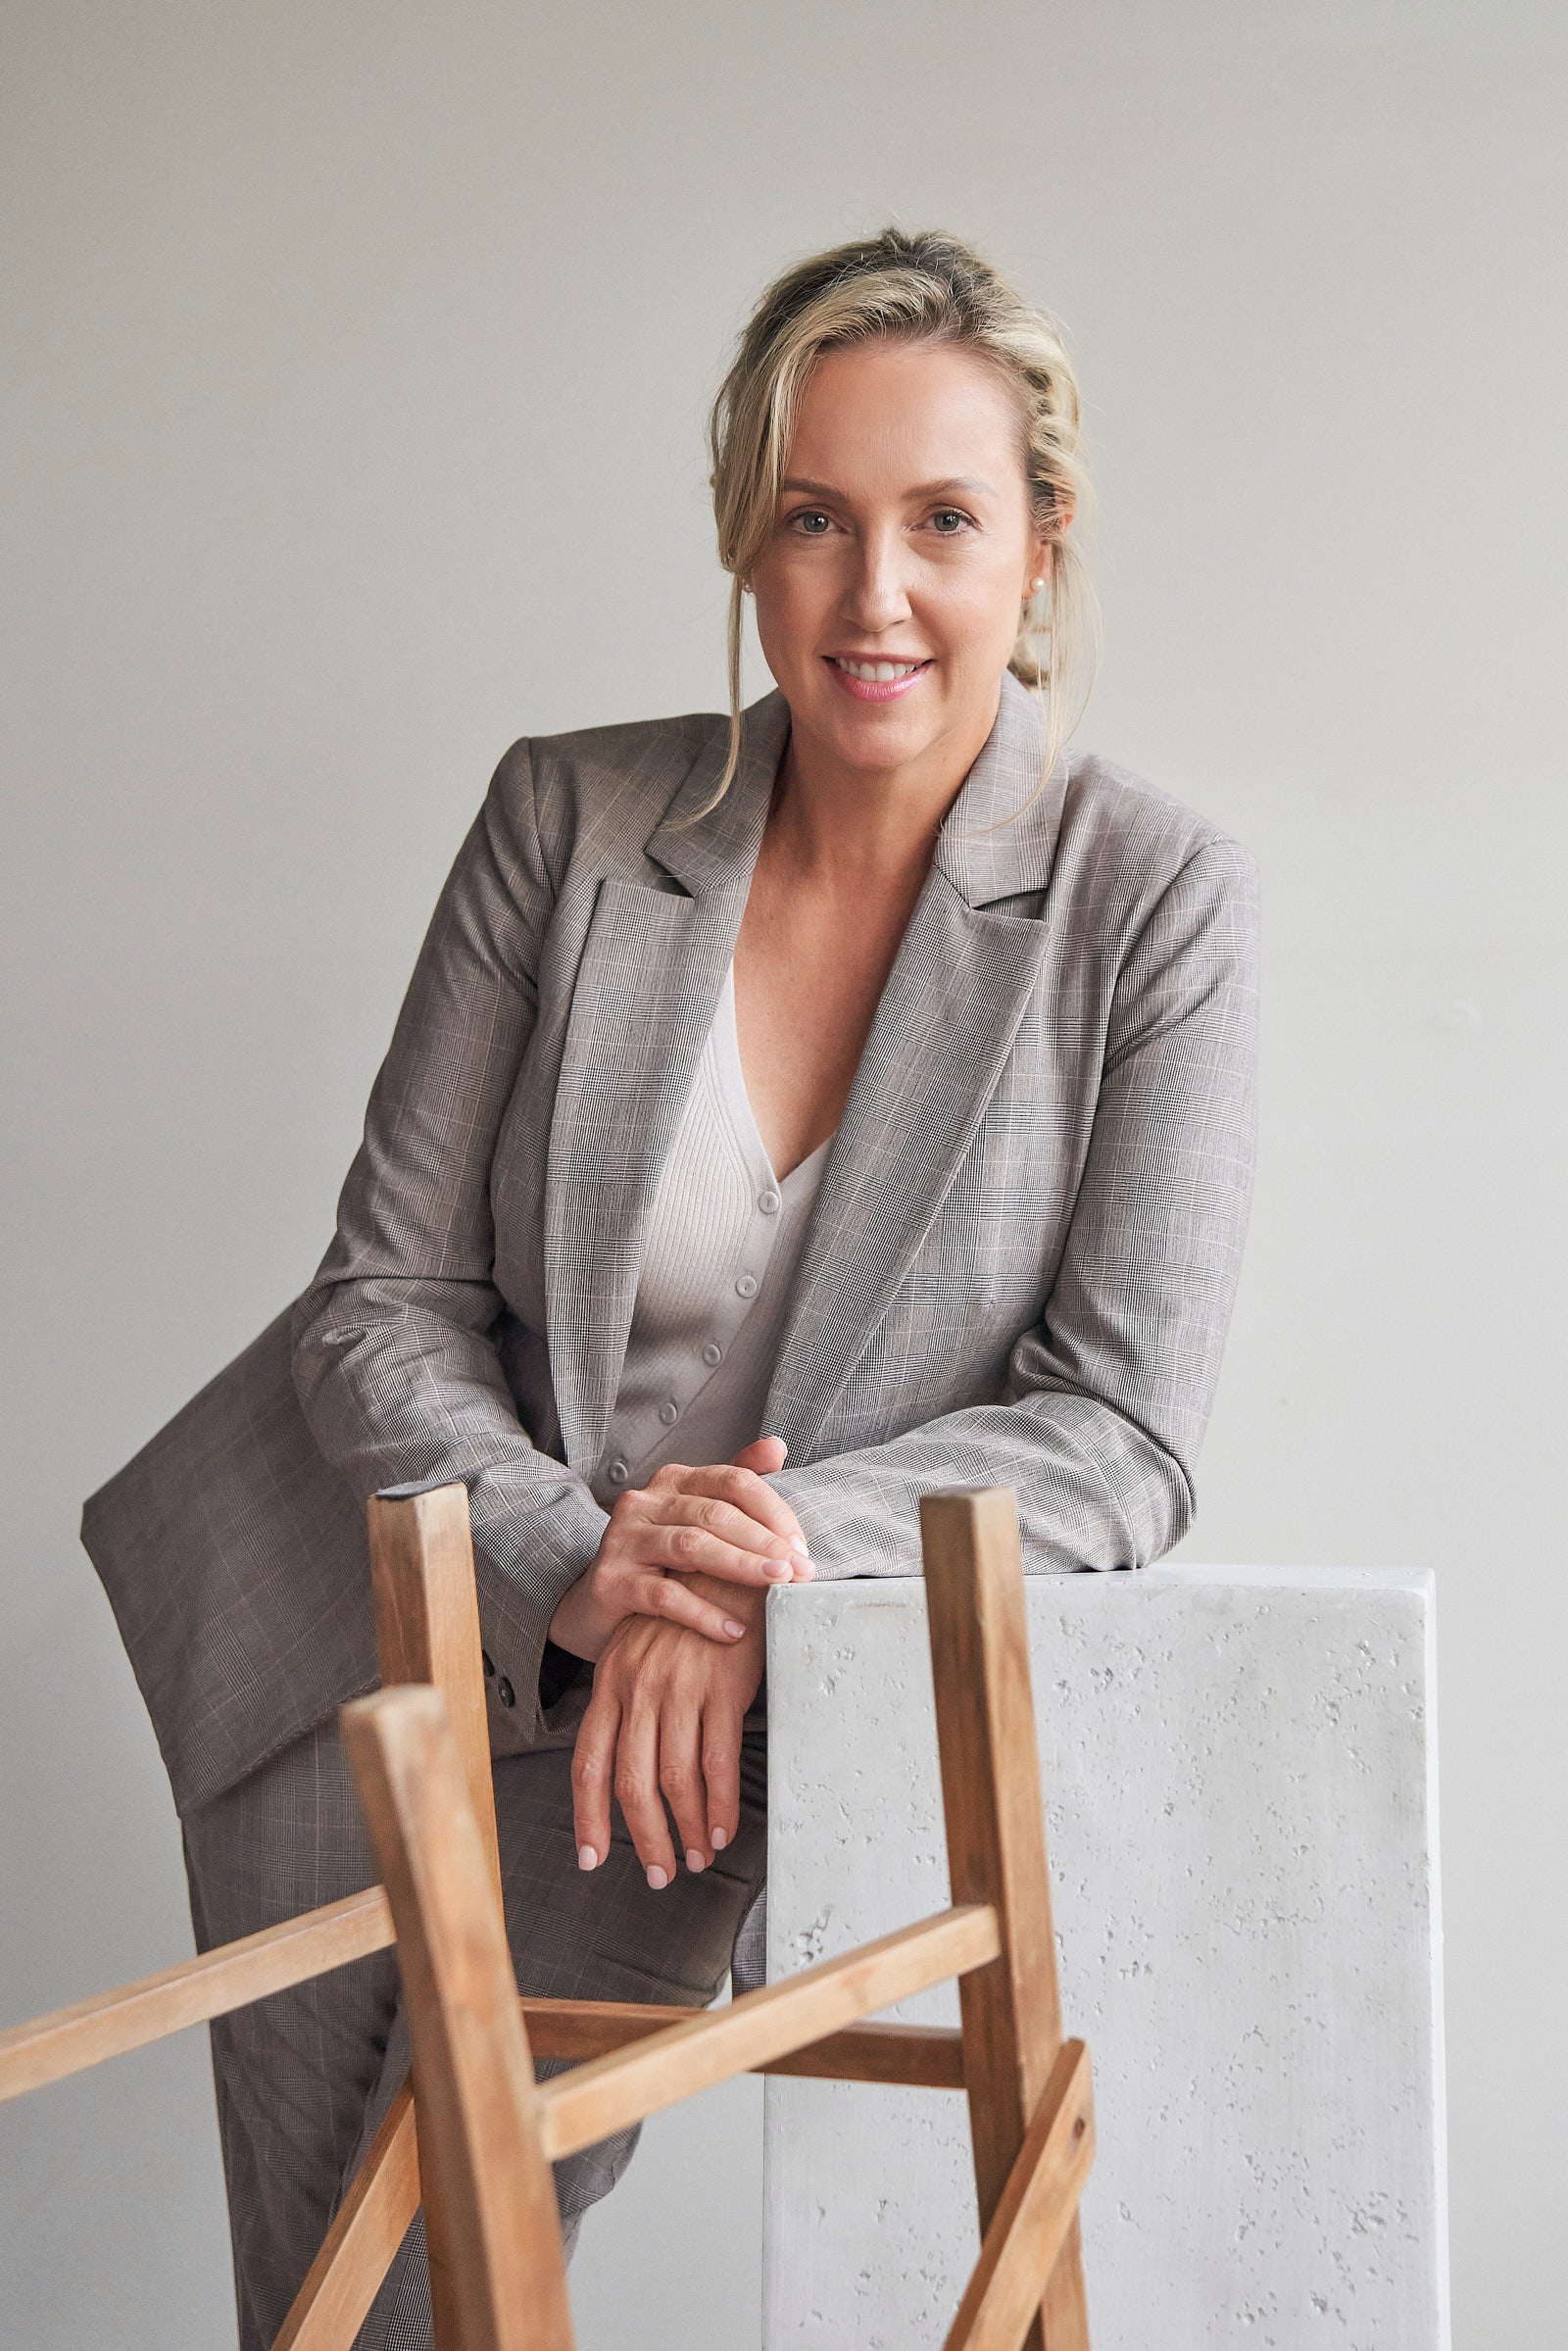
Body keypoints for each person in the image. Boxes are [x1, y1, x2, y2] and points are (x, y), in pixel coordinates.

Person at [82, 226, 1259, 2348]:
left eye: (940, 521)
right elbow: (382, 1300)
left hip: (700, 1713)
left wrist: (741, 1560)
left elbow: (1122, 1427)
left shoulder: (1147, 901)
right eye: (812, 519)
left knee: (426, 2281)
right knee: (311, 2287)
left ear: (1042, 542)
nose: (871, 593)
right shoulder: (571, 817)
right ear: (745, 534)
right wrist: (587, 1558)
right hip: (383, 1619)